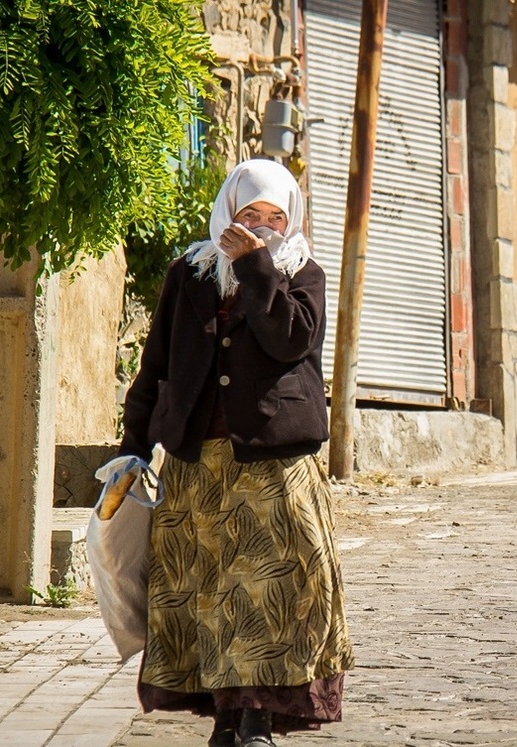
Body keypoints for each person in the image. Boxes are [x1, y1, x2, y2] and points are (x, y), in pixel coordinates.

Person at [116, 158, 354, 747]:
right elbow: (157, 368)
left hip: (273, 466)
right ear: (229, 212)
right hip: (199, 467)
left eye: (276, 216)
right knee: (210, 593)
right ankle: (225, 714)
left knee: (272, 593)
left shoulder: (303, 275)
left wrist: (256, 269)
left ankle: (258, 718)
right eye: (252, 215)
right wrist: (133, 449)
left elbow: (290, 340)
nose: (265, 226)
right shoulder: (189, 275)